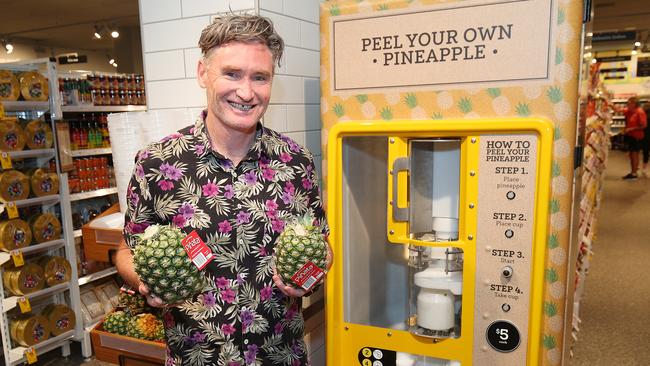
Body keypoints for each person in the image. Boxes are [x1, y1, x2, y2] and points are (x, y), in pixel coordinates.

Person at [115, 14, 331, 366]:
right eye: (232, 73)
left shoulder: (296, 162)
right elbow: (127, 248)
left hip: (281, 356)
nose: (246, 92)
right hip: (194, 357)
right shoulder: (157, 164)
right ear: (203, 73)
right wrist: (149, 279)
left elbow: (322, 246)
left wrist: (307, 278)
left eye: (260, 77)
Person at [615, 96, 647, 179]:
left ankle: (634, 173)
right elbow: (618, 110)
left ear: (634, 104)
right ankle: (633, 171)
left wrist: (631, 129)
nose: (627, 104)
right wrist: (609, 104)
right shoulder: (629, 111)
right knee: (632, 154)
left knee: (634, 154)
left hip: (636, 136)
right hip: (630, 135)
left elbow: (643, 125)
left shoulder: (640, 112)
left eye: (629, 103)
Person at [642, 102, 650, 177]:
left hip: (645, 136)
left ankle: (644, 169)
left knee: (645, 153)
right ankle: (644, 169)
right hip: (646, 136)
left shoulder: (643, 115)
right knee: (646, 153)